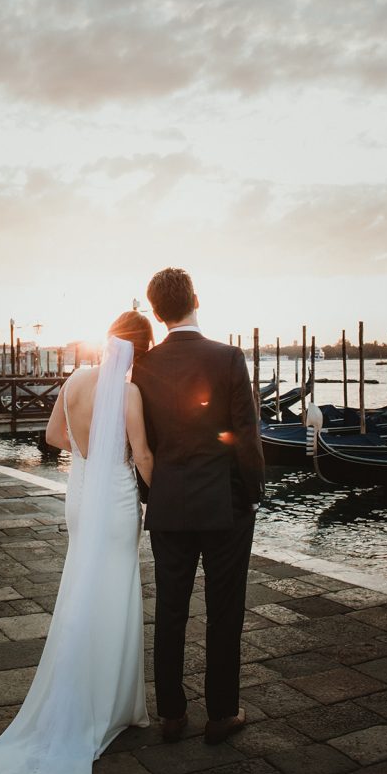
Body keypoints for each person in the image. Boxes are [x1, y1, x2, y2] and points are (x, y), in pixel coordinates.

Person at [0, 311, 154, 774]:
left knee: (82, 587)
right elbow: (141, 455)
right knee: (116, 594)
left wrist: (87, 451)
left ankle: (84, 691)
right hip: (117, 501)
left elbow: (53, 437)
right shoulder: (131, 393)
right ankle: (114, 705)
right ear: (139, 351)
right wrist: (160, 486)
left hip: (79, 498)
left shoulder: (75, 379)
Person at [132, 268, 265, 745]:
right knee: (225, 611)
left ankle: (170, 714)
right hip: (224, 504)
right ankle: (222, 714)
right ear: (196, 300)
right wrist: (254, 491)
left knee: (170, 609)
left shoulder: (143, 366)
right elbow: (245, 435)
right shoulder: (228, 357)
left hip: (168, 504)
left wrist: (154, 494)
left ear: (156, 311)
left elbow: (140, 443)